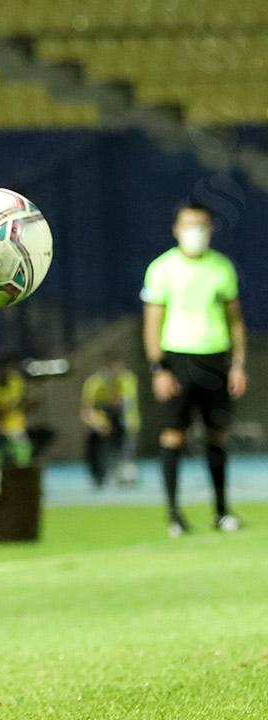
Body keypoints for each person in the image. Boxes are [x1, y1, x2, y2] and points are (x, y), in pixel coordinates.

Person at [142, 201, 247, 537]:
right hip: (178, 359)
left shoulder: (222, 268)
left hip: (216, 359)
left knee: (217, 435)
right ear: (176, 228)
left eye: (201, 224)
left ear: (211, 227)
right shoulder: (161, 268)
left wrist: (238, 365)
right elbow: (152, 323)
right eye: (188, 224)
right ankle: (174, 515)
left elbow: (236, 322)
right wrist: (158, 368)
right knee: (174, 435)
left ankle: (221, 511)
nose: (195, 231)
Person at [80, 352, 140, 488]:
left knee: (121, 445)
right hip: (96, 422)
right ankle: (97, 476)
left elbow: (118, 403)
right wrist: (98, 424)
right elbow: (86, 411)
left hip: (114, 420)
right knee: (94, 446)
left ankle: (120, 472)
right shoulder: (94, 383)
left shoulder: (119, 381)